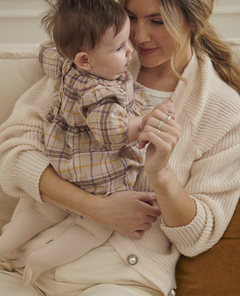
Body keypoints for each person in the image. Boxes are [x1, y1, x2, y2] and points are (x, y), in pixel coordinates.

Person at [0, 0, 240, 295]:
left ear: (193, 21)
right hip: (21, 263)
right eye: (131, 18)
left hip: (121, 278)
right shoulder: (91, 57)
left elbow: (197, 237)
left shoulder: (223, 110)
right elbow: (13, 151)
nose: (139, 38)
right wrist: (95, 208)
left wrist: (162, 176)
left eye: (157, 21)